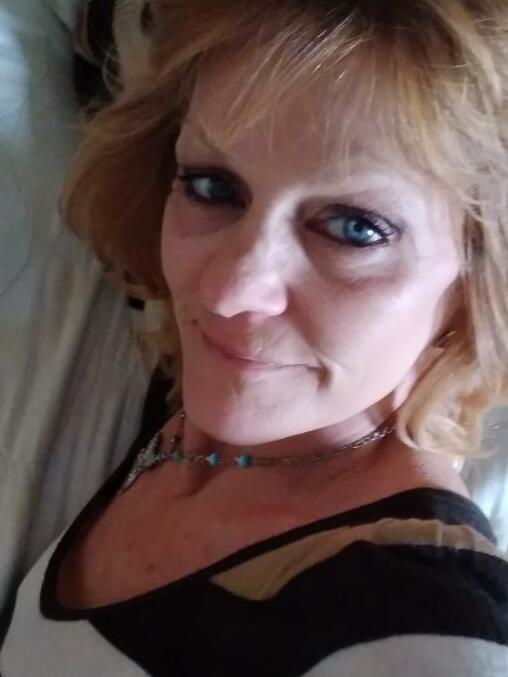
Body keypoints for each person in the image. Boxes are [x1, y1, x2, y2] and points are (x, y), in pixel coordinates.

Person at [2, 0, 508, 674]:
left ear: (476, 282)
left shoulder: (425, 624)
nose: (229, 291)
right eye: (212, 187)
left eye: (354, 228)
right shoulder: (195, 408)